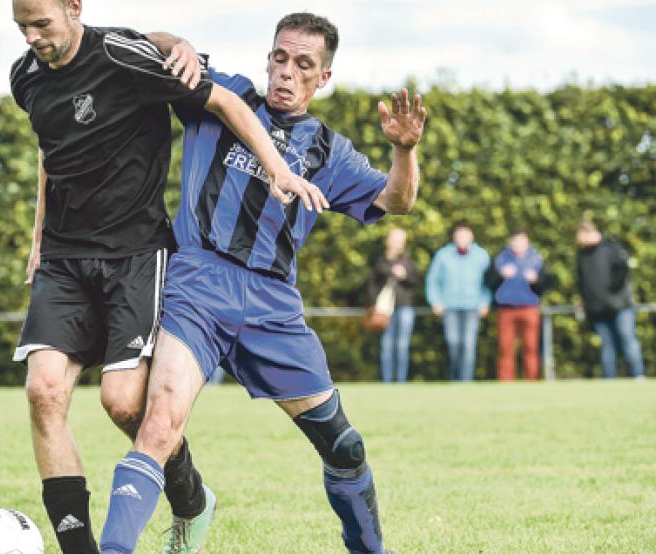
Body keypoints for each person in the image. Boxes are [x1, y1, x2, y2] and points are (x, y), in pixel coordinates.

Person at [99, 12, 424, 554]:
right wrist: (175, 42)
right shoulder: (224, 93)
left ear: (323, 78)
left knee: (344, 447)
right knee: (157, 426)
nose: (286, 73)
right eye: (279, 58)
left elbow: (397, 200)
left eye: (303, 65)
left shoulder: (329, 151)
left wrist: (405, 151)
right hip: (197, 284)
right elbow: (134, 45)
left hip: (273, 305)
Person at [9, 1, 324, 551]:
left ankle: (191, 496)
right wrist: (38, 236)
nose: (33, 37)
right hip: (64, 258)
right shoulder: (26, 77)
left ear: (73, 8)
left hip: (134, 253)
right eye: (22, 27)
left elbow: (223, 99)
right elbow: (49, 148)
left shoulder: (122, 57)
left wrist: (278, 168)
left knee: (124, 403)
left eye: (42, 24)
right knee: (44, 390)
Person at [575, 220, 645, 378]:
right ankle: (609, 379)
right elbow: (581, 281)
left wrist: (611, 291)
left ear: (588, 233)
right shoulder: (582, 254)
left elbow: (622, 270)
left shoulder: (611, 247)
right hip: (597, 309)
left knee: (628, 340)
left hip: (620, 306)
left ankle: (638, 376)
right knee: (607, 346)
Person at [425, 220, 491, 382]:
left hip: (472, 307)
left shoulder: (481, 255)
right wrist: (436, 301)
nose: (462, 238)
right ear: (454, 236)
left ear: (472, 236)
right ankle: (455, 379)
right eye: (459, 234)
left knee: (468, 345)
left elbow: (488, 283)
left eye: (465, 234)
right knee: (453, 343)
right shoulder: (443, 255)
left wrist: (484, 302)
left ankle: (466, 381)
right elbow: (433, 280)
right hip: (450, 307)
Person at [486, 231, 552, 381]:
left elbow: (547, 284)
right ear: (510, 242)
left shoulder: (537, 259)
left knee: (531, 346)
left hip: (529, 308)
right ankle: (505, 381)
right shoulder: (500, 259)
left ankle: (532, 379)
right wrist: (500, 275)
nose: (518, 245)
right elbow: (489, 281)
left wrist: (537, 280)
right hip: (506, 309)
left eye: (521, 242)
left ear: (527, 243)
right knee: (505, 348)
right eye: (515, 242)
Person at [368, 228, 421, 383]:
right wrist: (373, 305)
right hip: (384, 310)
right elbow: (371, 285)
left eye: (401, 240)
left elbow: (417, 280)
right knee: (387, 346)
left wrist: (405, 275)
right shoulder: (379, 261)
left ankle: (401, 381)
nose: (399, 244)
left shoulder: (408, 262)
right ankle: (387, 381)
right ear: (388, 241)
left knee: (402, 346)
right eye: (396, 240)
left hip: (404, 307)